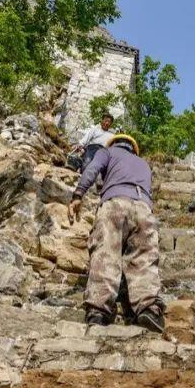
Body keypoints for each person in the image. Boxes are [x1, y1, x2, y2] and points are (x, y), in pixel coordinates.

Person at [67, 134, 165, 332]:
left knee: (106, 253)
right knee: (144, 258)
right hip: (144, 210)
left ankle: (98, 310)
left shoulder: (107, 152)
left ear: (114, 144)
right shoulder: (143, 164)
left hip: (115, 202)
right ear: (133, 149)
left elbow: (92, 169)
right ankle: (148, 308)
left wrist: (78, 194)